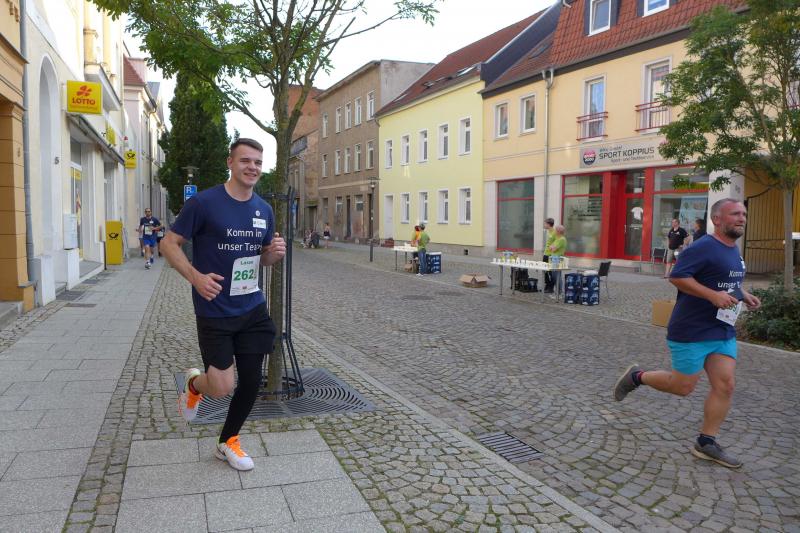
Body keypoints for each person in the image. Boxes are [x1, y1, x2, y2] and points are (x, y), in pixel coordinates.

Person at [160, 138, 286, 471]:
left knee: (251, 380)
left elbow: (261, 258)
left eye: (257, 162)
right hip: (214, 308)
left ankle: (227, 441)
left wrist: (272, 255)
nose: (252, 167)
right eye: (245, 160)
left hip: (252, 308)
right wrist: (195, 277)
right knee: (221, 386)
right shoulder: (204, 203)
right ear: (230, 162)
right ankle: (194, 384)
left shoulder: (264, 210)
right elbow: (168, 244)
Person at [613, 198, 761, 469]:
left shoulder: (733, 249)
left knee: (725, 385)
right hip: (692, 329)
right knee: (682, 387)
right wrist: (712, 296)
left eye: (743, 213)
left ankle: (706, 442)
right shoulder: (703, 246)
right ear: (717, 219)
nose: (742, 218)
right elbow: (678, 276)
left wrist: (743, 294)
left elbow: (725, 280)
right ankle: (637, 377)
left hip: (722, 329)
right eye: (734, 214)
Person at [546, 225, 567, 297]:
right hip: (553, 259)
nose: (554, 231)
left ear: (558, 231)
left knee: (557, 276)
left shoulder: (562, 239)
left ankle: (559, 293)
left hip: (557, 259)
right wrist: (552, 247)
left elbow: (553, 249)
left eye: (555, 230)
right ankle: (557, 292)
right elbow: (549, 248)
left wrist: (552, 247)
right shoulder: (557, 239)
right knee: (554, 276)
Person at [542, 218, 556, 293]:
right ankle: (547, 285)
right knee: (545, 271)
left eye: (545, 223)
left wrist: (553, 251)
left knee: (550, 272)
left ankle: (551, 287)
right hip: (546, 254)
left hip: (551, 255)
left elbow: (557, 243)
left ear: (548, 224)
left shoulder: (554, 232)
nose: (544, 225)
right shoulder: (548, 232)